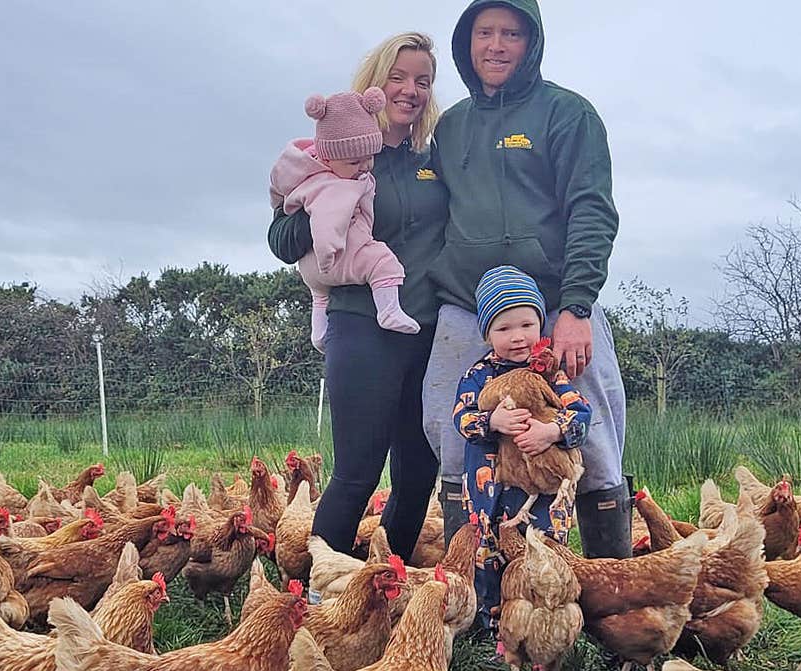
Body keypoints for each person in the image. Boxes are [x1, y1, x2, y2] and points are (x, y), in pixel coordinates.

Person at [423, 0, 630, 559]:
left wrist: (578, 307)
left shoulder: (567, 114)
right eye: (483, 32)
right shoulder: (451, 126)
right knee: (452, 429)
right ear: (466, 42)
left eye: (510, 33)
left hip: (555, 310)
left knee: (595, 436)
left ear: (531, 41)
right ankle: (466, 590)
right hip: (466, 309)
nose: (495, 45)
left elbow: (592, 209)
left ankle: (614, 588)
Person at [267, 33, 448, 577]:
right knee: (357, 470)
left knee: (418, 473)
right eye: (399, 77)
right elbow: (279, 239)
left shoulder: (432, 159)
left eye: (422, 81)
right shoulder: (331, 152)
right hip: (361, 325)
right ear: (375, 82)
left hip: (426, 329)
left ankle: (377, 588)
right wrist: (315, 215)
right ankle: (312, 593)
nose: (410, 90)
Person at [454, 265, 590, 630]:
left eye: (527, 325)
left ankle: (544, 626)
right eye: (503, 328)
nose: (517, 337)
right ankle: (492, 628)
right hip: (489, 495)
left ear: (540, 326)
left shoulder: (551, 375)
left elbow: (581, 414)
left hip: (543, 495)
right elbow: (461, 418)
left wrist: (551, 431)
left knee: (542, 556)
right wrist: (491, 422)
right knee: (488, 558)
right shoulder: (476, 375)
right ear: (487, 334)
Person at [269, 87, 420, 352]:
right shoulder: (336, 186)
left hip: (312, 272)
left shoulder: (312, 173)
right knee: (382, 260)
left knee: (320, 295)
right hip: (336, 264)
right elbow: (327, 224)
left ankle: (318, 332)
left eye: (369, 159)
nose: (364, 167)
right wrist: (328, 254)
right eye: (355, 162)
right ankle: (389, 310)